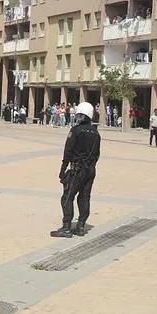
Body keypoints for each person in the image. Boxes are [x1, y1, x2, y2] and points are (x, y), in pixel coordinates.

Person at [51, 102, 101, 238]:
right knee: (84, 197)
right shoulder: (96, 133)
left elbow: (68, 151)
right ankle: (80, 226)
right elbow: (97, 154)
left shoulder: (76, 130)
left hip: (77, 169)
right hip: (90, 170)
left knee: (67, 197)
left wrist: (63, 170)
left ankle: (67, 227)